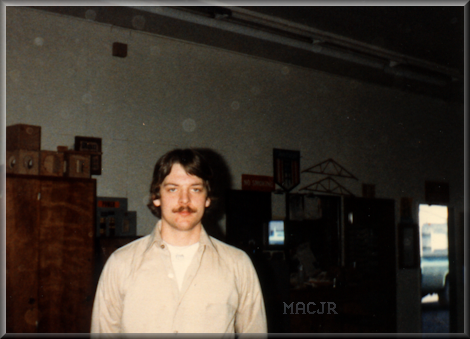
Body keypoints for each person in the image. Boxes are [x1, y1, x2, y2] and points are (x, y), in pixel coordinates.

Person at [91, 148, 267, 333]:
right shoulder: (120, 264)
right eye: (173, 189)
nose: (185, 200)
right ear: (156, 197)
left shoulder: (238, 264)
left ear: (207, 198)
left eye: (195, 189)